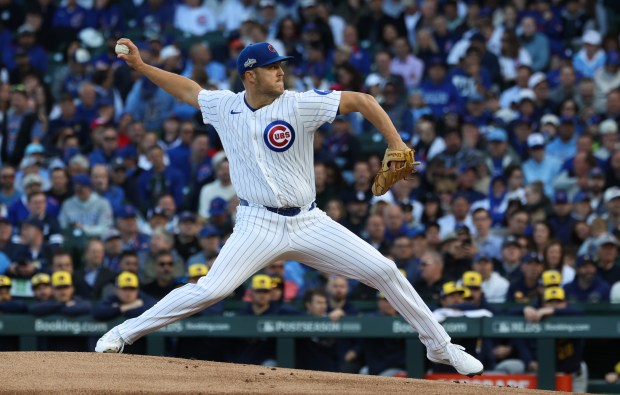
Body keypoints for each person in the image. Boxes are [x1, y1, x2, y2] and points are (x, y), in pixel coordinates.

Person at [96, 39, 483, 377]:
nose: (281, 72)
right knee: (211, 289)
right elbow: (187, 90)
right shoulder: (223, 106)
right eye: (272, 67)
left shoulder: (300, 105)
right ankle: (123, 332)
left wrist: (396, 144)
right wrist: (143, 67)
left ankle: (440, 346)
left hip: (309, 221)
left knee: (384, 270)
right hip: (256, 222)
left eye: (281, 65)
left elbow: (363, 101)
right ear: (250, 75)